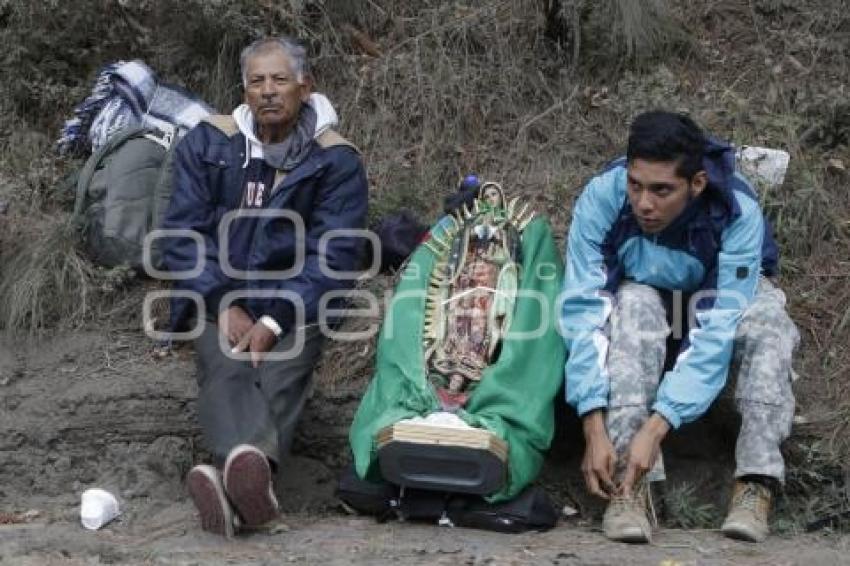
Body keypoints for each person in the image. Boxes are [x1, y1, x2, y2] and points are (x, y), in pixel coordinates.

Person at [161, 36, 367, 537]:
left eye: (279, 80)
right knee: (225, 363)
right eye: (257, 81)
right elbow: (181, 235)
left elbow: (335, 253)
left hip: (299, 301)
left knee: (282, 371)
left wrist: (275, 319)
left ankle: (232, 485)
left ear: (305, 85)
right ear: (244, 89)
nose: (268, 91)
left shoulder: (336, 159)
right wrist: (220, 301)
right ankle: (252, 487)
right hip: (220, 294)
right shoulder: (209, 143)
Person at [561, 111, 798, 543]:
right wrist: (591, 424)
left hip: (718, 300)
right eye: (636, 185)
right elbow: (583, 309)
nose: (644, 203)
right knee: (632, 304)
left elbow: (716, 328)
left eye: (662, 190)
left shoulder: (737, 210)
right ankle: (628, 489)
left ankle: (755, 484)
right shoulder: (602, 197)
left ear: (697, 184)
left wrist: (658, 427)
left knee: (771, 326)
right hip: (646, 295)